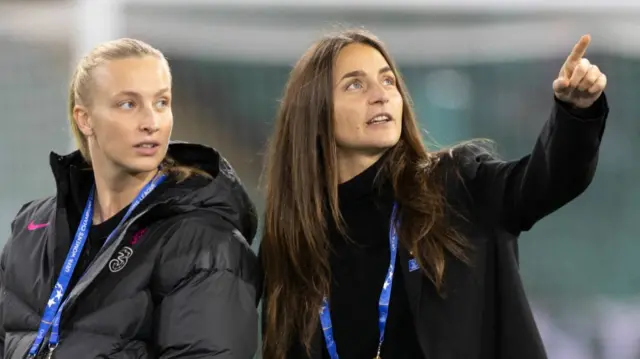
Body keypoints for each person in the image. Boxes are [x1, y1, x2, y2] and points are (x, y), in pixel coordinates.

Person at [259, 29, 608, 359]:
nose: (380, 95)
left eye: (387, 80)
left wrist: (575, 113)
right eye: (354, 85)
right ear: (313, 113)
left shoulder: (456, 185)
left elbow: (543, 183)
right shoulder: (290, 244)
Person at [0, 38, 260, 358]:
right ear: (85, 119)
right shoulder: (32, 229)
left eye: (162, 102)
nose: (151, 122)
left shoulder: (207, 245)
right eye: (128, 104)